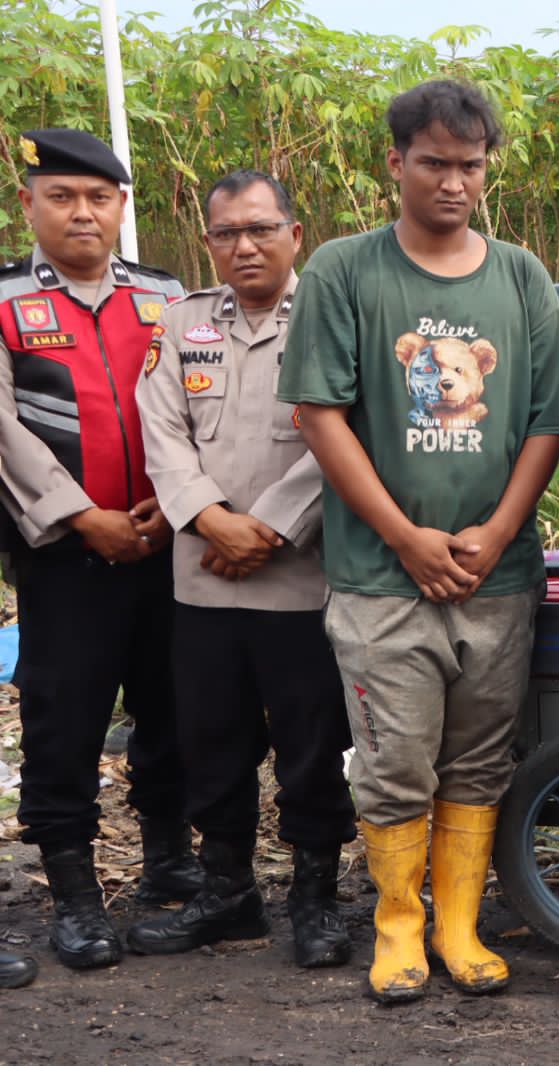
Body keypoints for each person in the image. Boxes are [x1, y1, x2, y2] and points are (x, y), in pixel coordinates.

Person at [276, 80, 559, 1003]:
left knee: (479, 757)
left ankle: (459, 924)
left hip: (496, 576)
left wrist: (495, 531)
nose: (454, 183)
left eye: (471, 166)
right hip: (379, 576)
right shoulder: (343, 270)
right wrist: (405, 536)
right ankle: (398, 926)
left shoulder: (521, 276)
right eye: (434, 163)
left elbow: (545, 421)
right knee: (396, 758)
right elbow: (320, 413)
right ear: (395, 164)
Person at [127, 170, 357, 968]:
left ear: (296, 234)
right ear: (209, 243)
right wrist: (213, 522)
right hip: (203, 580)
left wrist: (266, 529)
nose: (244, 246)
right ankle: (227, 895)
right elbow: (162, 429)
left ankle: (317, 901)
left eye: (261, 228)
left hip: (300, 579)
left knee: (312, 750)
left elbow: (346, 431)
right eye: (226, 233)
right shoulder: (182, 321)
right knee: (212, 747)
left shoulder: (334, 316)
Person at [0, 128, 200, 972]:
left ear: (122, 206)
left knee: (173, 709)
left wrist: (176, 503)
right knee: (65, 722)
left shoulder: (167, 296)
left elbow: (195, 405)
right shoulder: (6, 299)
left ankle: (169, 861)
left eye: (99, 198)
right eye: (62, 197)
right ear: (29, 204)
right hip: (64, 556)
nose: (82, 213)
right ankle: (76, 895)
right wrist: (83, 516)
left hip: (166, 543)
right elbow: (4, 429)